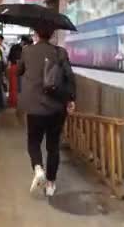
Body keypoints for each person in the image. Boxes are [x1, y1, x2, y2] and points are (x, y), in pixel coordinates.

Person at [18, 26, 76, 197]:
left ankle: (37, 168)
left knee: (34, 141)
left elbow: (19, 71)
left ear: (36, 34)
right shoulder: (60, 52)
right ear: (52, 35)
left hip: (35, 107)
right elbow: (69, 77)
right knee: (53, 146)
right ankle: (50, 184)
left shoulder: (27, 51)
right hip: (56, 107)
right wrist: (71, 99)